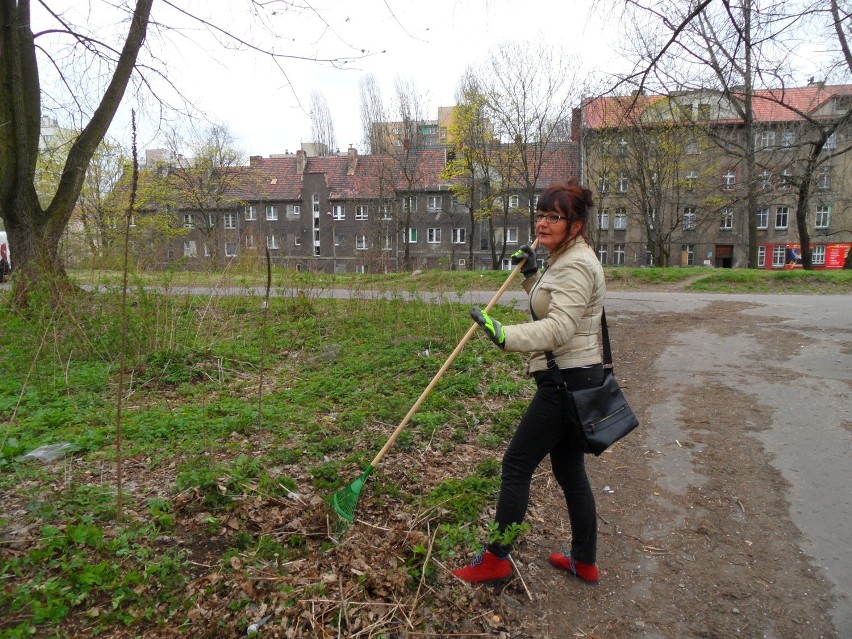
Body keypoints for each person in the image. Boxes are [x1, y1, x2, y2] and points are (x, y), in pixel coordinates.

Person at [453, 180, 606, 586]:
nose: (543, 223)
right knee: (570, 471)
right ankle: (585, 560)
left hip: (566, 383)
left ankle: (496, 559)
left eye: (554, 217)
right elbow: (551, 305)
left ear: (575, 225)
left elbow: (558, 329)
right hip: (574, 375)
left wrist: (505, 335)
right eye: (540, 214)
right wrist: (532, 276)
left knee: (517, 464)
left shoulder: (575, 264)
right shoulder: (566, 257)